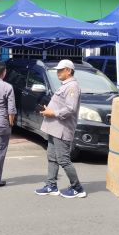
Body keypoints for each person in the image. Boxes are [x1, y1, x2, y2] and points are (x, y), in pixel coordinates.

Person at [35, 59, 86, 198]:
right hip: (54, 127)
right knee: (52, 157)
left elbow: (70, 108)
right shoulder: (65, 85)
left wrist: (53, 112)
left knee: (63, 160)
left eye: (60, 70)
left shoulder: (72, 86)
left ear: (68, 70)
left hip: (62, 129)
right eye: (57, 70)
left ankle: (78, 188)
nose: (58, 72)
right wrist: (49, 110)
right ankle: (51, 185)